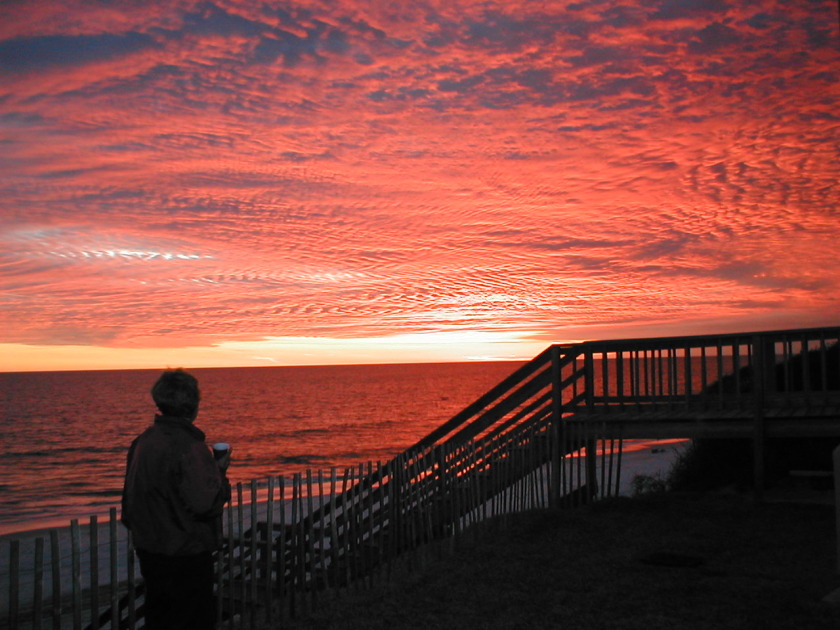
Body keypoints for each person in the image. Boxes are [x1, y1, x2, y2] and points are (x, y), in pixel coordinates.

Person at [122, 369, 231, 630]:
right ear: (193, 404)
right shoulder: (189, 447)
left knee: (160, 619)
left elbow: (131, 501)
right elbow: (206, 503)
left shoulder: (143, 442)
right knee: (192, 620)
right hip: (185, 554)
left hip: (151, 550)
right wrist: (219, 472)